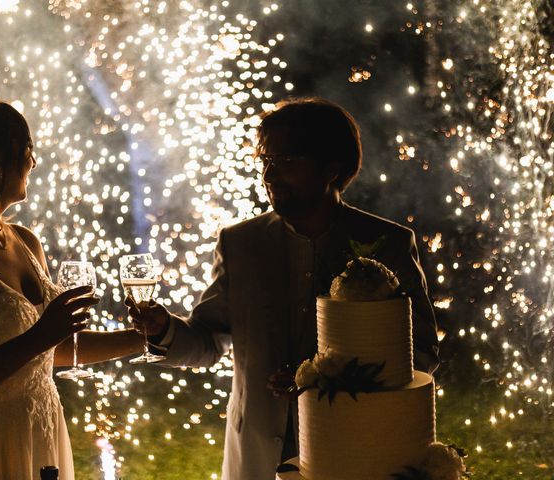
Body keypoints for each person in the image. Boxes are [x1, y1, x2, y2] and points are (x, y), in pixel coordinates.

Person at [128, 97, 440, 480]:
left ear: (332, 167)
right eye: (266, 161)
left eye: (286, 162)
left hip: (356, 449)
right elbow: (209, 343)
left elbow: (420, 351)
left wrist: (327, 378)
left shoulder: (388, 242)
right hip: (257, 453)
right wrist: (164, 329)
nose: (270, 176)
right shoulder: (239, 243)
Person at [0, 88, 144, 479]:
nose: (34, 163)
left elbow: (49, 351)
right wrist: (41, 336)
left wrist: (145, 337)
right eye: (27, 151)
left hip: (39, 435)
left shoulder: (26, 241)